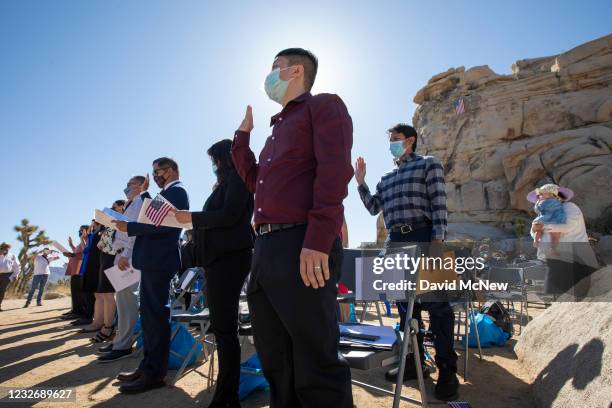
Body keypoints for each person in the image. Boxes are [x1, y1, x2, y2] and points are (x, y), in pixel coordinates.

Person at [232, 48, 354, 407]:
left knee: (316, 362)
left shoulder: (323, 106)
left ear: (296, 71)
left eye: (275, 68)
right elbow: (255, 182)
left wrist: (318, 240)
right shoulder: (276, 129)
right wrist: (242, 139)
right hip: (266, 250)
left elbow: (334, 173)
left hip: (303, 244)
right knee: (276, 361)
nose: (268, 76)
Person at [355, 123, 459, 401]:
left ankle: (447, 369)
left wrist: (438, 241)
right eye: (390, 141)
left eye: (396, 140)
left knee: (438, 307)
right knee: (404, 310)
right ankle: (414, 363)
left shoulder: (429, 164)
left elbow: (439, 203)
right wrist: (361, 182)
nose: (392, 145)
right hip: (394, 243)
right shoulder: (386, 177)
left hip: (426, 236)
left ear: (411, 141)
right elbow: (373, 208)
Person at [173, 139, 254, 408]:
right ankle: (225, 393)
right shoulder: (225, 182)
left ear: (225, 159)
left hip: (229, 260)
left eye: (215, 160)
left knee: (225, 330)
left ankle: (226, 397)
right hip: (218, 261)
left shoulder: (238, 179)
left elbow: (230, 216)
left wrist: (193, 218)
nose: (213, 166)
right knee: (222, 329)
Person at [112, 157, 189, 394]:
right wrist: (145, 194)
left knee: (156, 317)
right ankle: (147, 367)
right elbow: (150, 217)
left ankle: (155, 374)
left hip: (160, 261)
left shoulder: (177, 191)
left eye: (161, 171)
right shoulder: (165, 192)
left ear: (173, 170)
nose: (156, 175)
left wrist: (129, 227)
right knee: (148, 317)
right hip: (151, 261)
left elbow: (162, 225)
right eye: (154, 171)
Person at [98, 175, 147, 362]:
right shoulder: (131, 203)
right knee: (121, 300)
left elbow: (134, 232)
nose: (127, 187)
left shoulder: (140, 202)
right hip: (120, 255)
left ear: (141, 186)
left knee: (127, 301)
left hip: (129, 257)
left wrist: (126, 254)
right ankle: (120, 339)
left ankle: (124, 345)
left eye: (131, 184)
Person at [529, 185, 599, 300]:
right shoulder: (545, 213)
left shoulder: (570, 208)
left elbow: (567, 227)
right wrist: (534, 230)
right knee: (561, 300)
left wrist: (543, 227)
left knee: (580, 297)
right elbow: (536, 233)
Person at [91, 199, 125, 343]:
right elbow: (103, 241)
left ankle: (109, 327)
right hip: (105, 257)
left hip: (113, 258)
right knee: (104, 293)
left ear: (122, 208)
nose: (113, 209)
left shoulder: (123, 222)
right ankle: (106, 325)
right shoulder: (110, 224)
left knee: (109, 293)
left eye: (115, 207)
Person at [77, 221, 103, 328]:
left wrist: (87, 236)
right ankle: (87, 315)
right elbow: (85, 250)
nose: (92, 227)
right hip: (86, 266)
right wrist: (82, 238)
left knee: (90, 293)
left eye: (93, 225)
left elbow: (88, 249)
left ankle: (89, 316)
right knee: (85, 292)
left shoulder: (97, 235)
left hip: (93, 267)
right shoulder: (91, 236)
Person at [61, 225, 89, 320]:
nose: (80, 232)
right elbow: (77, 251)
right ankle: (74, 310)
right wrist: (71, 245)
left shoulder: (88, 241)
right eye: (79, 231)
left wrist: (71, 254)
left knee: (78, 292)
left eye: (82, 231)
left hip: (80, 270)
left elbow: (84, 253)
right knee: (74, 291)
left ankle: (78, 311)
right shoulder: (81, 243)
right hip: (75, 270)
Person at [532, 183, 566, 249]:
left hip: (544, 219)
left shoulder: (542, 202)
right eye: (540, 194)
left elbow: (537, 210)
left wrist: (538, 204)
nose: (539, 196)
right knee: (555, 235)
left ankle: (536, 241)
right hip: (555, 220)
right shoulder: (557, 201)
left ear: (550, 194)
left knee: (539, 230)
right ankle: (553, 249)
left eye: (541, 194)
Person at [0, 242, 20, 312]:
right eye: (4, 247)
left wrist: (15, 275)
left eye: (7, 247)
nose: (6, 249)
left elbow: (16, 266)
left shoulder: (12, 256)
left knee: (2, 291)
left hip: (7, 275)